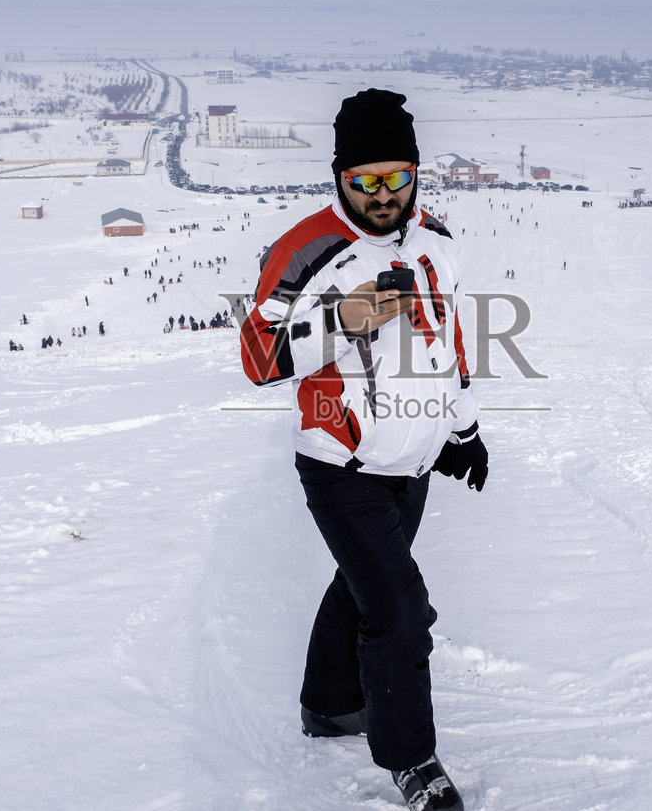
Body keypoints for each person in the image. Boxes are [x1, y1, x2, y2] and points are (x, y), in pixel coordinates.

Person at [239, 89, 486, 811]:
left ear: (415, 173)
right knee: (401, 609)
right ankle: (412, 759)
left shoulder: (436, 239)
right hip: (339, 462)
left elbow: (451, 341)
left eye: (396, 178)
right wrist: (343, 321)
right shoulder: (306, 248)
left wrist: (462, 428)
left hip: (412, 464)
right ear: (340, 176)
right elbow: (258, 356)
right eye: (365, 181)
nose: (383, 196)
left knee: (364, 584)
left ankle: (328, 706)